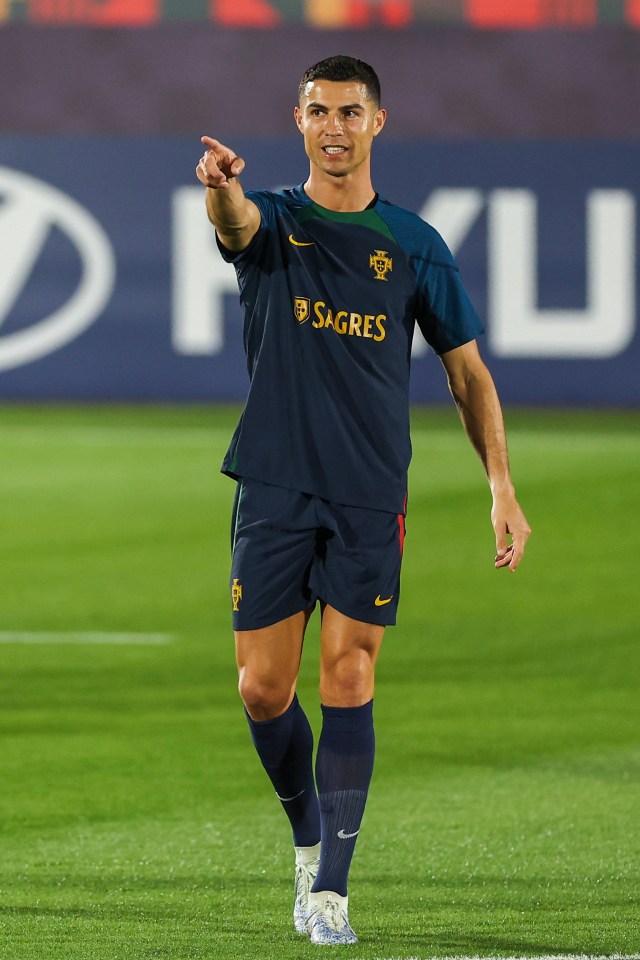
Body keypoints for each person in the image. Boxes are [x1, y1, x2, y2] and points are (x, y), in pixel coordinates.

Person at [196, 55, 531, 946]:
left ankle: (334, 892)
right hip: (272, 482)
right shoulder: (272, 219)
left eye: (350, 111)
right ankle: (307, 840)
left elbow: (469, 374)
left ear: (377, 122)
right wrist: (221, 189)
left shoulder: (416, 244)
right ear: (298, 121)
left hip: (369, 493)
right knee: (264, 690)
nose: (334, 126)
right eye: (318, 111)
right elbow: (232, 225)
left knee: (349, 673)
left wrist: (501, 486)